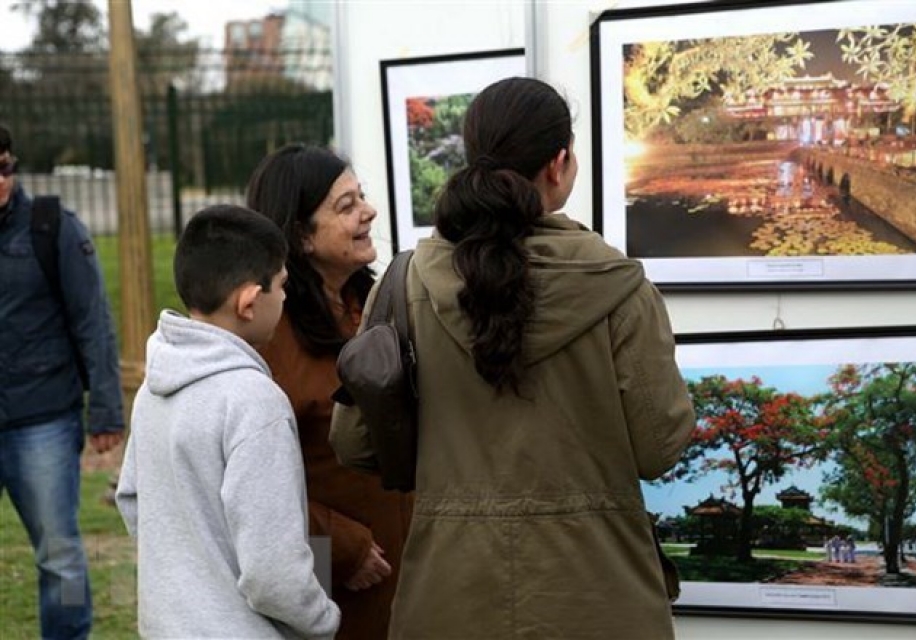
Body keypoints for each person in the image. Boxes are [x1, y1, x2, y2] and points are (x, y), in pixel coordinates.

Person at [330, 77, 697, 639]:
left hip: (448, 599)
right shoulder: (619, 289)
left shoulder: (403, 285)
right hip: (599, 598)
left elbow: (356, 444)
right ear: (559, 163)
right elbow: (660, 446)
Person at [115, 205, 340, 639]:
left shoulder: (154, 386)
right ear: (250, 302)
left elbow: (132, 500)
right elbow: (273, 572)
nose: (287, 297)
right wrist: (324, 620)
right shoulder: (255, 402)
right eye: (282, 285)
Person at [246, 144, 414, 640]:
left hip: (406, 569)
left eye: (361, 197)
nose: (369, 212)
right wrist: (341, 548)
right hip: (334, 581)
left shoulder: (377, 304)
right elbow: (253, 483)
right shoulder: (271, 337)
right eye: (346, 206)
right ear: (301, 236)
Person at [0, 123, 124, 639]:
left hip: (44, 419)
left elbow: (93, 321)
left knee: (62, 555)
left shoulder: (53, 227)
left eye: (4, 168)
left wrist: (107, 412)